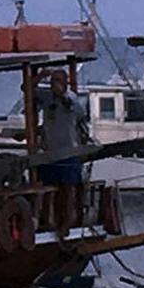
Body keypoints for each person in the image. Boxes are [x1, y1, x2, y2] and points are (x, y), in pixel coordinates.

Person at [35, 69, 87, 238]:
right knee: (49, 189)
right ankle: (47, 221)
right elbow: (26, 88)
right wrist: (40, 76)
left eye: (58, 80)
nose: (54, 84)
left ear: (65, 83)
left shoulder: (71, 98)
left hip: (68, 152)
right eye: (52, 80)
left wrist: (61, 94)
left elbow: (70, 105)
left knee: (67, 190)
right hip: (51, 152)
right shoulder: (46, 96)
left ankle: (65, 223)